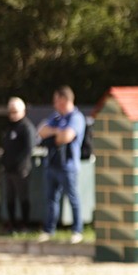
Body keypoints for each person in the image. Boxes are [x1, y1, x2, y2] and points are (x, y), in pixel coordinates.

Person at [36, 86, 86, 243]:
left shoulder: (76, 117)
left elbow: (66, 137)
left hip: (68, 166)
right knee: (51, 199)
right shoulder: (56, 117)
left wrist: (54, 133)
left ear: (64, 100)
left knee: (73, 199)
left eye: (56, 100)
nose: (54, 104)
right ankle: (49, 230)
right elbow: (41, 131)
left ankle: (77, 231)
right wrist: (57, 132)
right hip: (52, 164)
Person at [1, 97, 37, 234]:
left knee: (23, 197)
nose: (12, 114)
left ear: (23, 111)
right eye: (10, 111)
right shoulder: (9, 127)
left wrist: (18, 163)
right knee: (9, 198)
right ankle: (12, 224)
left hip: (21, 169)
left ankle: (24, 225)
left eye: (15, 111)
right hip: (8, 169)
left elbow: (29, 149)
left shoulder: (26, 127)